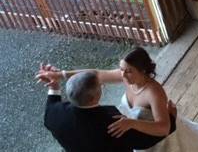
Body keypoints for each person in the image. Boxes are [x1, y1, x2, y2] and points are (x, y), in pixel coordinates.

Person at [37, 47, 198, 152]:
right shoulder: (124, 77)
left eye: (128, 71)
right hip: (136, 137)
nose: (122, 75)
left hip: (161, 140)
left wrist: (131, 123)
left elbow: (164, 128)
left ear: (144, 70)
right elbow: (94, 74)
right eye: (121, 69)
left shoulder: (154, 92)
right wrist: (62, 75)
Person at [40, 65, 168, 152]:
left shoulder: (53, 114)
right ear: (96, 95)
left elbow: (52, 101)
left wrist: (55, 85)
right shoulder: (111, 122)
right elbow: (143, 141)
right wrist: (171, 121)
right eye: (100, 85)